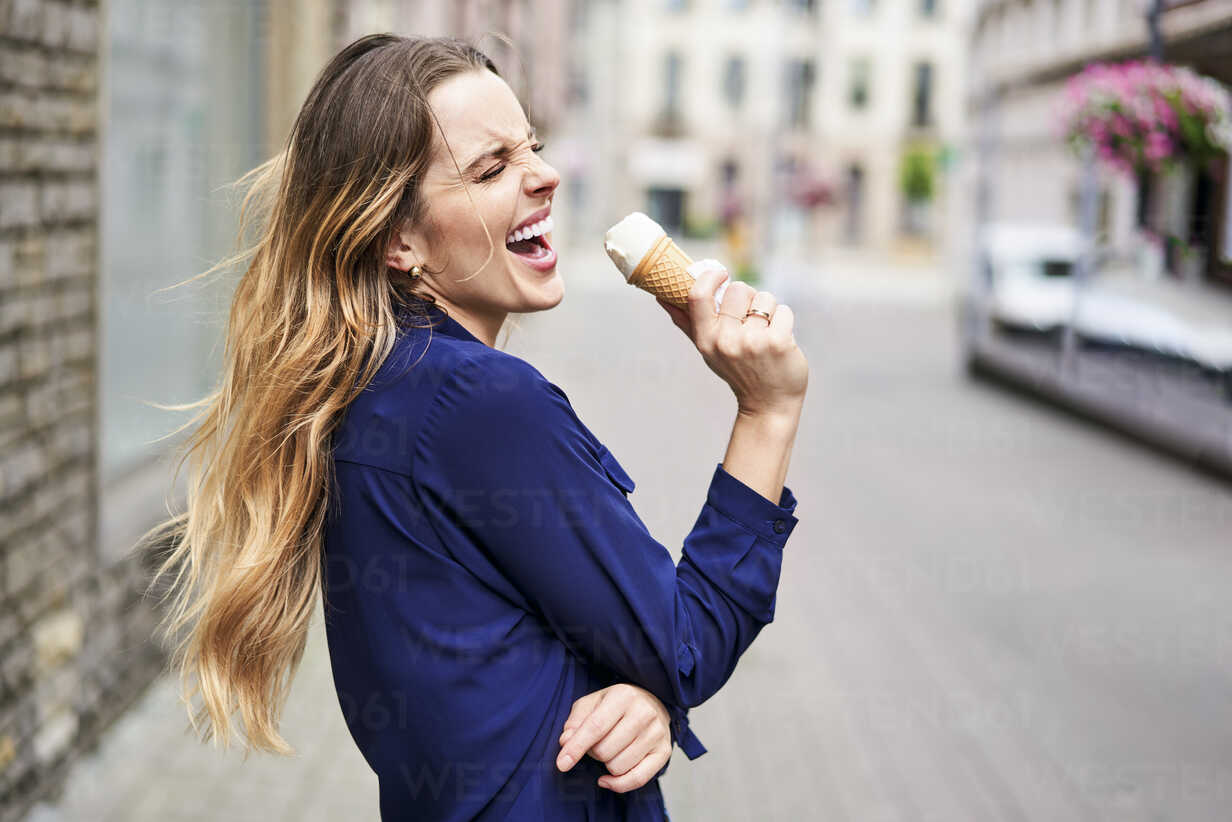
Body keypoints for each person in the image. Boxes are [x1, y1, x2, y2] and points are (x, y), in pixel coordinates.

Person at [142, 34, 807, 822]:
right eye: (492, 169)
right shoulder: (479, 402)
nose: (547, 176)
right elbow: (684, 645)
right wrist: (768, 411)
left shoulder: (379, 385)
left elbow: (507, 648)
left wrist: (642, 696)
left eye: (534, 145)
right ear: (400, 241)